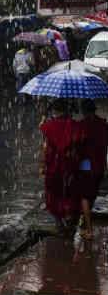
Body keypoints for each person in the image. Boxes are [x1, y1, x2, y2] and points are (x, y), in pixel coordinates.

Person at [40, 99, 82, 234]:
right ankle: (69, 215)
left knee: (53, 192)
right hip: (69, 165)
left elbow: (46, 148)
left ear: (54, 111)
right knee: (69, 190)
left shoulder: (48, 126)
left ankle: (59, 221)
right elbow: (77, 145)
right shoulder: (74, 125)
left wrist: (43, 165)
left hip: (53, 165)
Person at [76, 99, 108, 239]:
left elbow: (77, 146)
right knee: (92, 194)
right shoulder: (103, 124)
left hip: (86, 164)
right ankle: (84, 224)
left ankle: (88, 230)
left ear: (83, 110)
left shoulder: (81, 125)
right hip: (100, 164)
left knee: (83, 196)